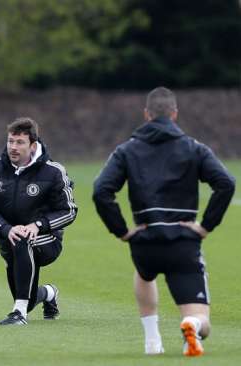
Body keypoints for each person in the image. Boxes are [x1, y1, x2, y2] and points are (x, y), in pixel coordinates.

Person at [93, 87, 235, 356]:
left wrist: (122, 231)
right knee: (202, 320)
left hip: (145, 242)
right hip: (183, 242)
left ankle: (152, 341)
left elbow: (101, 190)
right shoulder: (194, 148)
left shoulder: (126, 150)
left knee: (144, 274)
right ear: (174, 114)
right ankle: (192, 325)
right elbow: (226, 183)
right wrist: (206, 225)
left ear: (146, 115)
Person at [0, 117, 77, 325]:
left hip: (46, 240)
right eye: (10, 141)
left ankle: (19, 314)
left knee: (24, 239)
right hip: (8, 240)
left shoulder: (54, 171)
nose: (13, 147)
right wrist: (5, 229)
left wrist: (37, 226)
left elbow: (69, 211)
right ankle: (48, 293)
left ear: (33, 145)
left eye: (20, 142)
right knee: (28, 299)